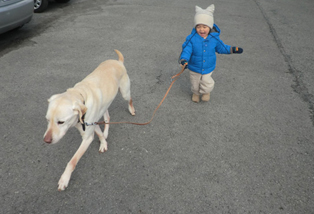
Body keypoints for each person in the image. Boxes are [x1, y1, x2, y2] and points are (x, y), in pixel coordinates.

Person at [179, 4, 243, 103]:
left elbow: (222, 48)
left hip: (208, 66)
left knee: (206, 81)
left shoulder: (214, 38)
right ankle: (196, 93)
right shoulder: (192, 38)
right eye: (198, 27)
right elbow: (186, 50)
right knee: (195, 83)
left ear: (210, 27)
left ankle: (206, 92)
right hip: (194, 66)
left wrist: (232, 49)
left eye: (204, 26)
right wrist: (184, 59)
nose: (201, 29)